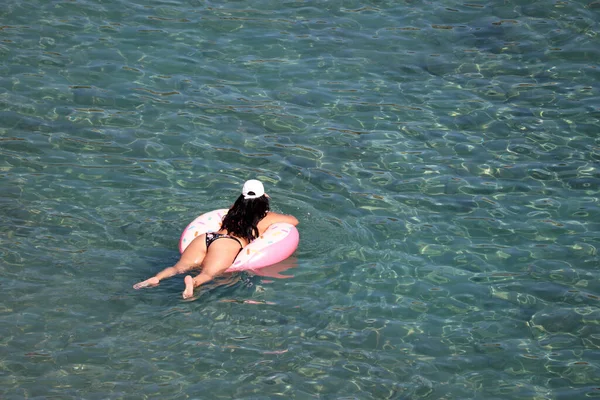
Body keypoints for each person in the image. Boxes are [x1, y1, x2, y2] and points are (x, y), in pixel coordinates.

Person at [133, 179, 299, 299]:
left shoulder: (233, 209)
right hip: (228, 244)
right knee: (208, 273)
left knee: (179, 267)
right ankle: (194, 283)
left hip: (207, 237)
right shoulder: (266, 217)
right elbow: (293, 221)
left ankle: (156, 278)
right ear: (263, 198)